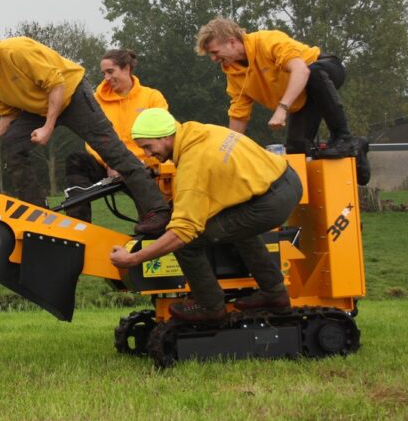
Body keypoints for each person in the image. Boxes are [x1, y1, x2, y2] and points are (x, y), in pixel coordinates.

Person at [0, 36, 170, 234]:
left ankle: (157, 211)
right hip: (39, 108)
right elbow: (9, 115)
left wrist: (48, 126)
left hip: (71, 94)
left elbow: (56, 84)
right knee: (12, 143)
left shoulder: (15, 51)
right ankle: (36, 211)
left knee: (112, 149)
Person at [109, 108, 302, 323]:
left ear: (165, 136)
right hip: (286, 179)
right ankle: (275, 294)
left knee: (187, 243)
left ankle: (210, 307)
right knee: (235, 225)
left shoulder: (193, 165)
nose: (147, 154)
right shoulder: (197, 130)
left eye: (148, 146)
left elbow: (181, 233)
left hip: (269, 203)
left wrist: (133, 259)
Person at [194, 17, 369, 184]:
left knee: (315, 73)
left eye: (215, 52)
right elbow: (239, 115)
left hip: (324, 70)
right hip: (301, 99)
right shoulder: (233, 73)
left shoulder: (266, 41)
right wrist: (228, 154)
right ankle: (356, 152)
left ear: (232, 42)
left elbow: (302, 71)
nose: (214, 59)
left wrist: (282, 109)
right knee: (295, 150)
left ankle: (344, 138)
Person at [64, 48, 169, 233]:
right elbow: (91, 138)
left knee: (153, 210)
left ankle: (151, 225)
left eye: (110, 71)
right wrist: (110, 162)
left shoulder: (152, 97)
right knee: (76, 160)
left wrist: (133, 163)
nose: (106, 77)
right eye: (103, 73)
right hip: (107, 164)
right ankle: (77, 226)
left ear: (126, 68)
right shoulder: (96, 100)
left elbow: (163, 133)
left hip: (142, 165)